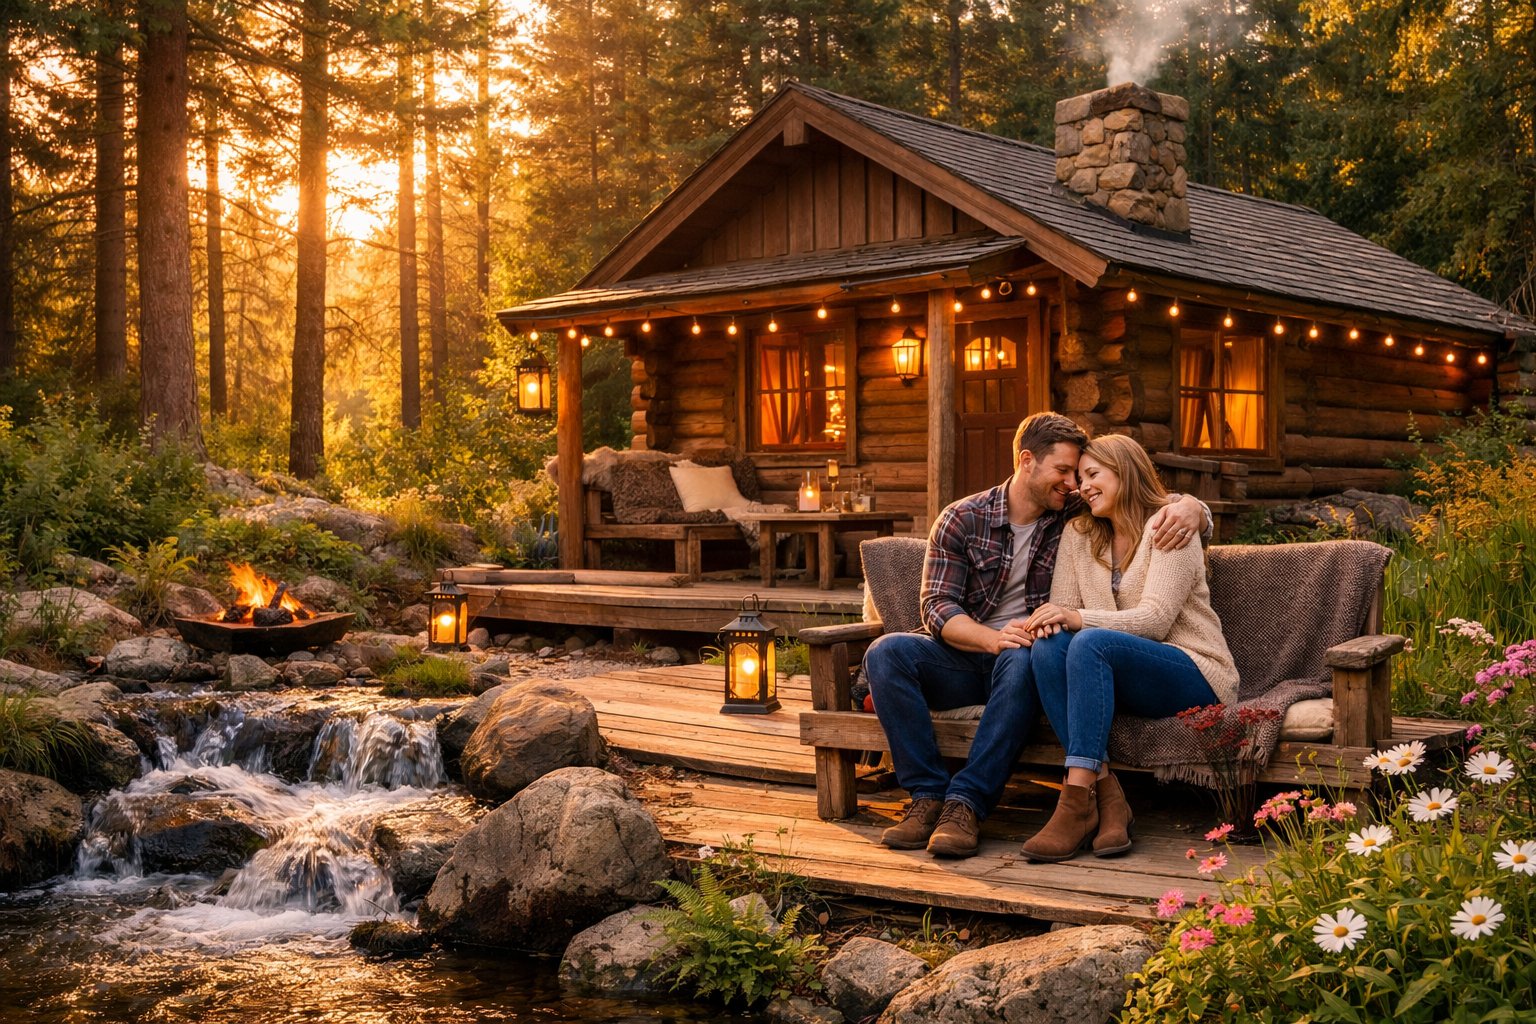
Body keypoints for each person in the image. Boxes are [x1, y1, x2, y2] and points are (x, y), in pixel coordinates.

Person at [863, 413, 1209, 859]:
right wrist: (991, 638)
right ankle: (926, 798)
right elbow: (937, 607)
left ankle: (965, 805)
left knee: (1034, 651)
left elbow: (1141, 494)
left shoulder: (1072, 512)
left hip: (1028, 658)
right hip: (969, 652)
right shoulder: (963, 519)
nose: (1073, 484)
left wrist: (1194, 508)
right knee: (887, 652)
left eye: (1080, 474)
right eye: (1064, 471)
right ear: (1027, 461)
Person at [1018, 433, 1238, 863]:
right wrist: (1051, 622)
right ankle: (1105, 794)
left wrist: (1077, 618)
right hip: (1121, 673)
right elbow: (1062, 612)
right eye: (1079, 478)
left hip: (1193, 672)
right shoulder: (1079, 534)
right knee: (1049, 645)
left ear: (1127, 471)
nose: (1082, 487)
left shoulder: (1171, 524)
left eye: (1093, 475)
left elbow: (1155, 620)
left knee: (1088, 638)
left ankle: (1074, 799)